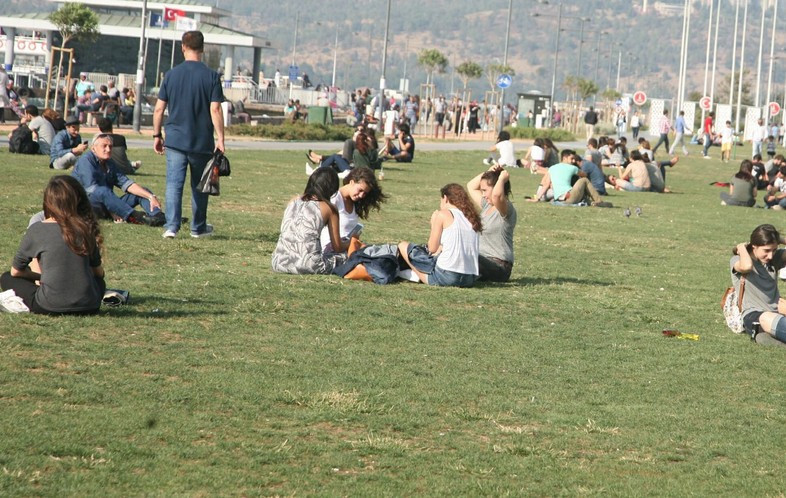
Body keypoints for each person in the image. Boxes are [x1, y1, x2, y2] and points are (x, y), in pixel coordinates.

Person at [153, 30, 225, 239]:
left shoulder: (171, 75)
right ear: (202, 49)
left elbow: (159, 109)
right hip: (201, 141)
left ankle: (171, 227)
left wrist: (157, 135)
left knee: (173, 185)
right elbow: (215, 110)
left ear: (183, 47)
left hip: (175, 140)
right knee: (200, 186)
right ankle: (197, 228)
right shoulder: (212, 77)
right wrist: (220, 138)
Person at [0, 176, 105, 315]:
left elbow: (16, 272)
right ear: (78, 200)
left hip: (48, 305)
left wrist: (42, 278)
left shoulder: (37, 229)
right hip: (89, 306)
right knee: (98, 281)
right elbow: (99, 273)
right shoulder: (86, 229)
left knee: (7, 277)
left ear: (48, 202)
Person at [398, 184, 481, 287]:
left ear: (445, 198)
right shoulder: (472, 218)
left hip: (446, 276)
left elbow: (432, 249)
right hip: (469, 279)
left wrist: (433, 225)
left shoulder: (443, 214)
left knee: (403, 246)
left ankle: (415, 275)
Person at [72, 134, 165, 225]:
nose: (108, 149)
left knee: (143, 191)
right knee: (102, 190)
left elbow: (126, 183)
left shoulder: (110, 162)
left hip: (108, 203)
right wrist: (114, 209)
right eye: (104, 146)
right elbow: (92, 190)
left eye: (110, 146)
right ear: (93, 148)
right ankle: (135, 217)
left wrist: (150, 196)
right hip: (89, 206)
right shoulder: (86, 161)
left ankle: (158, 216)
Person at [271, 168, 350, 274]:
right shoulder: (329, 208)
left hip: (279, 262)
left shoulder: (293, 200)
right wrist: (351, 242)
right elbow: (338, 247)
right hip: (308, 265)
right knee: (345, 257)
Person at [730, 224, 786, 344]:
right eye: (766, 250)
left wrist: (779, 239)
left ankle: (769, 337)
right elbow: (747, 266)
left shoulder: (774, 259)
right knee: (767, 318)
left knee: (771, 328)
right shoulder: (737, 260)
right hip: (755, 315)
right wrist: (742, 248)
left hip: (778, 312)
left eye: (774, 250)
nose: (770, 255)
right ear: (754, 246)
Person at [319, 167, 386, 254]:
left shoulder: (354, 202)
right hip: (332, 249)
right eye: (360, 190)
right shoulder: (334, 199)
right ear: (351, 182)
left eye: (365, 193)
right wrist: (352, 240)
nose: (361, 195)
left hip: (349, 246)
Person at [467, 165, 516, 282]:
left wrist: (502, 179)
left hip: (499, 267)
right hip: (481, 260)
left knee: (464, 256)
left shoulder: (505, 209)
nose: (483, 194)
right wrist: (488, 172)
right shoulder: (487, 205)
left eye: (485, 190)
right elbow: (471, 186)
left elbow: (496, 196)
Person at [530, 149, 611, 207]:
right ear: (564, 158)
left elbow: (546, 185)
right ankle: (598, 201)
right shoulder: (572, 168)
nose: (573, 161)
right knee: (584, 180)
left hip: (561, 200)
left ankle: (592, 202)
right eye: (571, 159)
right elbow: (584, 175)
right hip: (570, 196)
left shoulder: (552, 168)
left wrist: (537, 197)